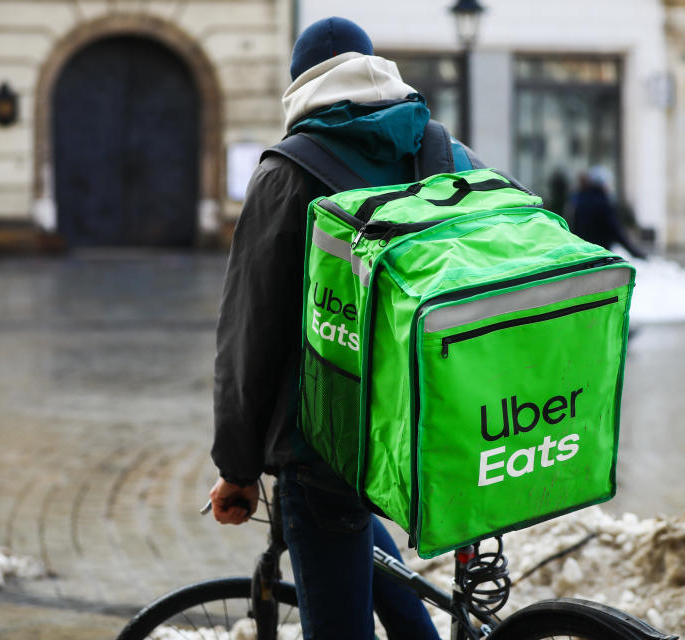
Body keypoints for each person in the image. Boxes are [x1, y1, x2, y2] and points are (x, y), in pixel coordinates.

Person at [207, 16, 481, 639]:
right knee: (357, 520)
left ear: (301, 85)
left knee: (334, 559)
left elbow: (248, 335)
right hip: (431, 426)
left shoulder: (286, 173)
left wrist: (239, 465)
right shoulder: (442, 150)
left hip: (329, 439)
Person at [571, 166, 647, 259]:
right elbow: (616, 230)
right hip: (600, 254)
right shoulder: (603, 203)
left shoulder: (579, 199)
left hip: (583, 253)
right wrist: (634, 252)